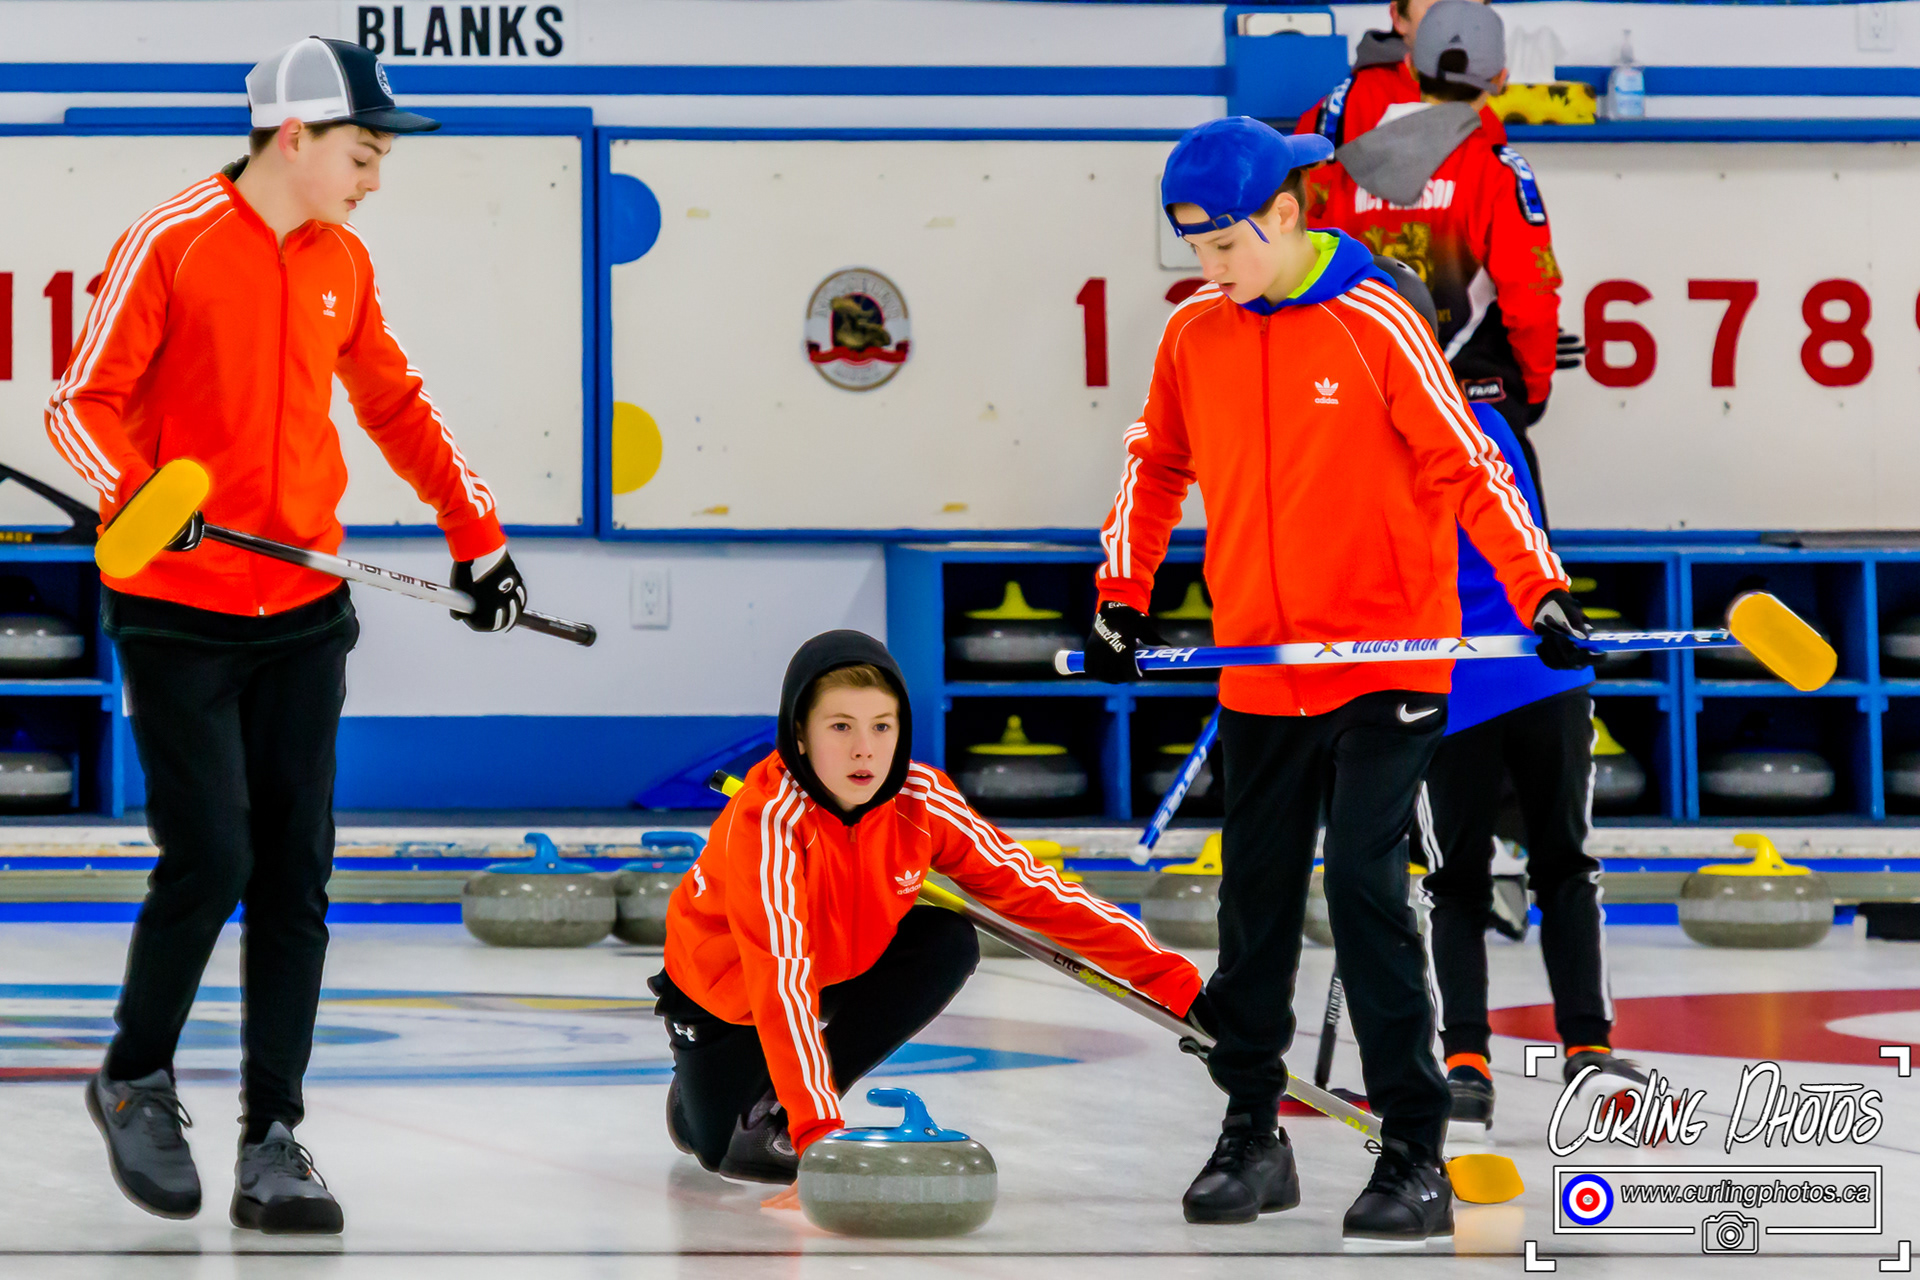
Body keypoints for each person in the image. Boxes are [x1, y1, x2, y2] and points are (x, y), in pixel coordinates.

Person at [44, 37, 525, 1233]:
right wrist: (142, 491)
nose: (376, 176)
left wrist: (479, 537)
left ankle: (274, 1135)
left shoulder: (342, 262)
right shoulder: (171, 240)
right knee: (213, 852)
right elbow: (78, 405)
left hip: (304, 612)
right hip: (178, 611)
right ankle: (135, 1074)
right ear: (294, 136)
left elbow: (395, 401)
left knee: (296, 871)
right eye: (363, 152)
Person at [1085, 115, 1590, 1241]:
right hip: (1262, 669)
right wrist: (1123, 592)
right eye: (1194, 249)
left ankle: (1414, 1149)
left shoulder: (1377, 320)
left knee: (1364, 884)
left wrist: (1539, 591)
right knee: (1254, 903)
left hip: (1385, 663)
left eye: (1225, 244)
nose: (1212, 268)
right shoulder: (1195, 334)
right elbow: (1155, 464)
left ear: (1284, 213)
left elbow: (1469, 463)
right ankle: (1251, 1131)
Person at [651, 630, 1203, 1185]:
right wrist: (818, 1133)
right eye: (840, 726)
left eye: (881, 726)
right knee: (724, 1152)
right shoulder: (769, 823)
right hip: (729, 993)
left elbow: (1036, 891)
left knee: (944, 940)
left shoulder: (920, 799)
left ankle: (774, 1111)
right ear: (799, 733)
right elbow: (781, 980)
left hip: (835, 966)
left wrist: (1177, 985)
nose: (864, 749)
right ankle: (702, 1102)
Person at [1413, 402, 1644, 1136]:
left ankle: (1493, 1061)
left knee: (1474, 880)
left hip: (1484, 679)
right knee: (1543, 869)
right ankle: (1550, 1052)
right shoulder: (1482, 420)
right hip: (1510, 676)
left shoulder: (1428, 428)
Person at [1311, 1, 1567, 518]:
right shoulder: (1497, 171)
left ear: (1411, 67)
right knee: (1507, 559)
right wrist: (1534, 388)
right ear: (1500, 78)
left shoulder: (1337, 170)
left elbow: (1309, 278)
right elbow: (1532, 294)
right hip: (1475, 409)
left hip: (1368, 404)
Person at [1294, 0, 1489, 207]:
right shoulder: (1349, 105)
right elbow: (1300, 208)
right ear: (1398, 18)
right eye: (1436, 11)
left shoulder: (1485, 112)